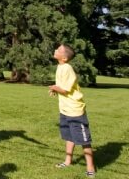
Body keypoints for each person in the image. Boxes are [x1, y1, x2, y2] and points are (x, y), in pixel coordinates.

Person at [48, 44, 96, 177]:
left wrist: (54, 87)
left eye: (58, 50)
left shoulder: (67, 68)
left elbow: (66, 89)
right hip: (65, 110)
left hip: (75, 111)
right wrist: (55, 89)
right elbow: (62, 87)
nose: (55, 50)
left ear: (63, 58)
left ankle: (91, 167)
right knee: (69, 137)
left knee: (84, 140)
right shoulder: (60, 66)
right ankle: (68, 161)